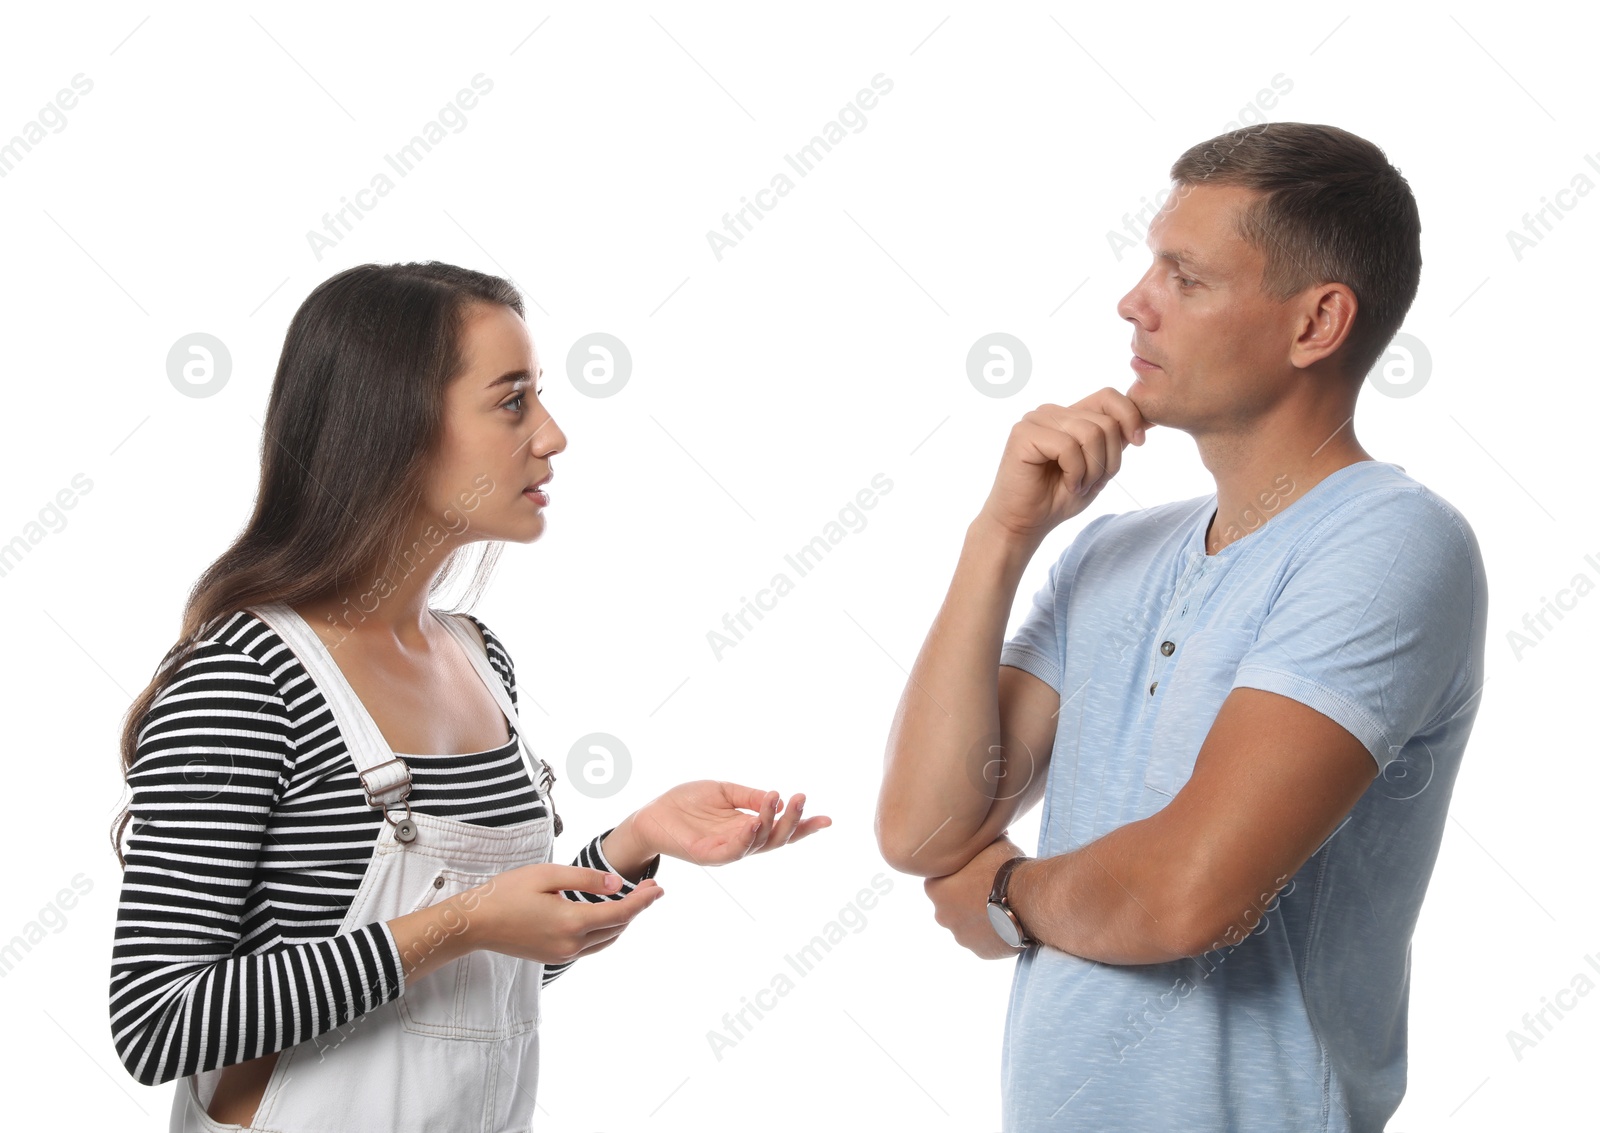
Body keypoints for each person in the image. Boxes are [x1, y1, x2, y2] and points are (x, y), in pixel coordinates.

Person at [108, 262, 831, 1132]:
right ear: (395, 428)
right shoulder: (246, 677)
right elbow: (155, 1021)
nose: (553, 436)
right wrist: (463, 922)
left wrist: (636, 842)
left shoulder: (477, 657)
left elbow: (481, 982)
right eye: (512, 400)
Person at [875, 122, 1487, 1131]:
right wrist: (1000, 536)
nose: (1133, 301)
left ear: (1316, 323)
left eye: (1186, 277)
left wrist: (1008, 894)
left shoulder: (1388, 542)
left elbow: (1188, 894)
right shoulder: (1108, 550)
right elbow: (923, 830)